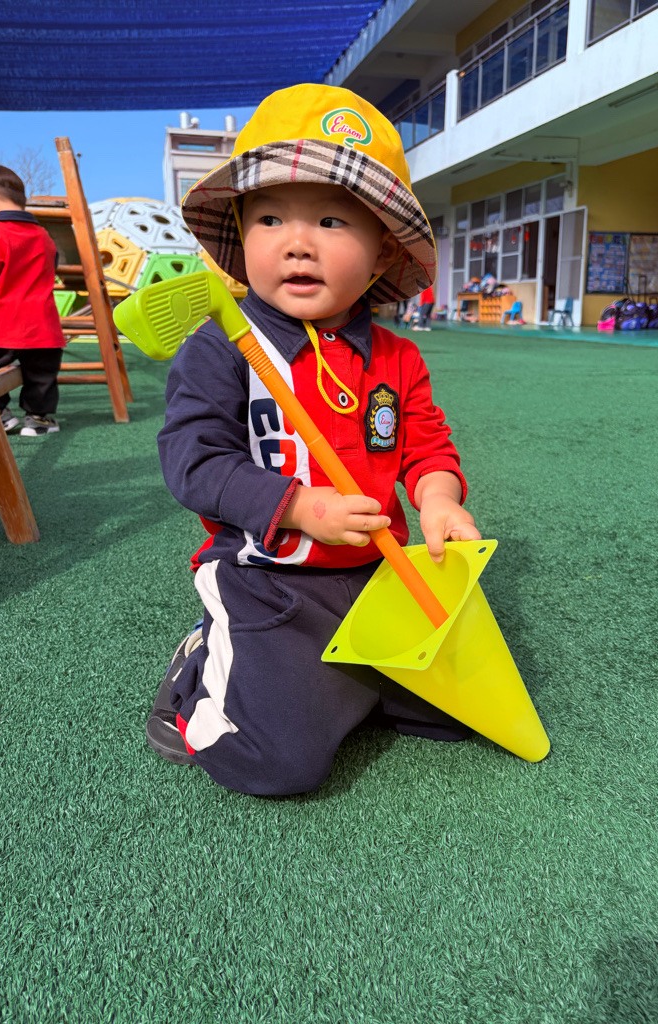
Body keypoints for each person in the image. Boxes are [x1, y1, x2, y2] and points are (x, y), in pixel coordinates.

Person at [148, 83, 481, 796]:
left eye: (331, 220)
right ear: (241, 236)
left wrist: (439, 498)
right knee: (280, 763)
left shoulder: (397, 358)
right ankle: (204, 663)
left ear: (382, 252)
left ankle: (339, 682)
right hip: (269, 578)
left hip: (378, 576)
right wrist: (300, 507)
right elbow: (192, 462)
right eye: (270, 218)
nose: (297, 242)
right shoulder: (222, 347)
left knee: (457, 716)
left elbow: (427, 446)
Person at [0, 165, 65, 437]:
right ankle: (38, 418)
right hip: (43, 326)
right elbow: (52, 266)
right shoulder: (43, 235)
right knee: (42, 376)